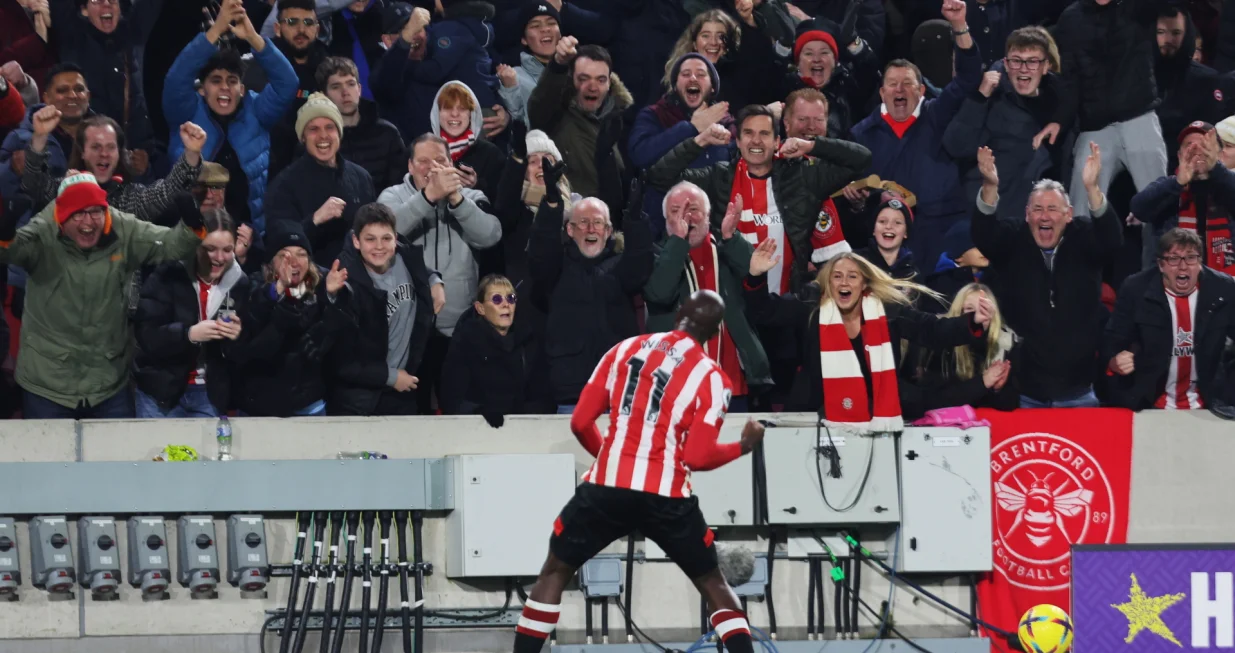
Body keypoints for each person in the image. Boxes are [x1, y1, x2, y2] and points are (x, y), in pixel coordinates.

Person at [512, 289, 767, 653]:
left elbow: (581, 421)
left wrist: (613, 459)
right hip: (667, 495)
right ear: (715, 333)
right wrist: (742, 447)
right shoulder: (712, 378)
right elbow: (696, 456)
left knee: (555, 570)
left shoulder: (624, 348)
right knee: (713, 582)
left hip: (607, 486)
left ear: (678, 313)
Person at [0, 174, 205, 418]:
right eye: (78, 213)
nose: (89, 222)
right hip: (47, 385)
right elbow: (11, 251)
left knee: (116, 456)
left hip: (108, 384)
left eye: (95, 212)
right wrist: (6, 228)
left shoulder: (124, 229)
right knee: (50, 456)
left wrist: (192, 224)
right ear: (61, 217)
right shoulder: (44, 230)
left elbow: (171, 244)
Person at [744, 246, 990, 423]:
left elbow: (932, 330)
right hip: (817, 414)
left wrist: (973, 322)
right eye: (837, 277)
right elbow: (766, 312)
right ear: (828, 284)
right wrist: (756, 277)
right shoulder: (811, 306)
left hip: (877, 415)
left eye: (852, 277)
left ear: (864, 284)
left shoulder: (888, 311)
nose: (844, 283)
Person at [647, 104, 870, 295]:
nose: (756, 141)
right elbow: (659, 177)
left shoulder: (802, 177)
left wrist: (812, 145)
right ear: (739, 141)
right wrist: (699, 141)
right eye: (749, 133)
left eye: (764, 134)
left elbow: (861, 159)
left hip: (786, 302)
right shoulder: (718, 178)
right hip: (732, 306)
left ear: (777, 142)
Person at [972, 144, 1122, 408]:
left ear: (1069, 215)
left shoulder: (1084, 237)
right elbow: (984, 235)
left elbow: (1112, 240)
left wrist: (1092, 189)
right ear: (1027, 215)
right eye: (1038, 209)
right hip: (1024, 392)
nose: (1045, 216)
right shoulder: (1013, 237)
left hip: (1080, 391)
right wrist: (989, 187)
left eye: (1053, 209)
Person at [849, 0, 981, 272]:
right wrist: (857, 202)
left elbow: (969, 77)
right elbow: (857, 205)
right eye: (893, 84)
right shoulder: (860, 135)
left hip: (943, 233)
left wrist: (959, 25)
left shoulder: (937, 114)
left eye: (907, 83)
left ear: (921, 91)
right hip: (891, 241)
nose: (900, 90)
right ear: (882, 93)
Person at [377, 133, 502, 412]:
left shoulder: (471, 197)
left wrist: (456, 198)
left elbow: (490, 235)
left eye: (440, 160)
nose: (431, 167)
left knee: (458, 408)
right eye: (423, 161)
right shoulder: (392, 196)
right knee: (413, 411)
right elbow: (385, 234)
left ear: (451, 163)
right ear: (409, 166)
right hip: (408, 327)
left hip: (458, 325)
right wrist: (428, 197)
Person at [162, 0, 298, 235]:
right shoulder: (185, 113)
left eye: (232, 81)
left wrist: (253, 37)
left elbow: (288, 84)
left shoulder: (257, 110)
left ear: (242, 89)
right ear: (202, 89)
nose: (225, 88)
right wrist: (215, 31)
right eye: (216, 81)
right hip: (191, 237)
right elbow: (176, 79)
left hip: (249, 234)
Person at [527, 161, 653, 414]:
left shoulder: (620, 268)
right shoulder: (557, 268)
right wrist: (552, 202)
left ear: (608, 231)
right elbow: (540, 253)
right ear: (570, 230)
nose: (591, 229)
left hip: (617, 392)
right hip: (570, 394)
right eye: (583, 222)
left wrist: (636, 220)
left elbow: (640, 263)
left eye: (598, 223)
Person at [1051, 0, 1168, 268]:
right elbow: (1069, 77)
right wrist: (1059, 120)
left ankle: (1161, 285)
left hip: (1139, 117)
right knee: (1079, 210)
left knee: (1160, 207)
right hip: (1094, 128)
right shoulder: (1071, 19)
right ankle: (1074, 278)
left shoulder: (1136, 7)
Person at [644, 182, 768, 411]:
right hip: (677, 387)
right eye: (675, 211)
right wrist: (678, 243)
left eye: (693, 209)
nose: (686, 217)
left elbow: (755, 272)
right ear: (664, 219)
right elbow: (659, 294)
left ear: (708, 215)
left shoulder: (725, 248)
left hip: (732, 385)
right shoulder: (654, 255)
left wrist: (732, 237)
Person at [132, 208, 249, 418]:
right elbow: (147, 336)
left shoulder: (240, 283)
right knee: (158, 451)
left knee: (205, 452)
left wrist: (237, 337)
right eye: (210, 249)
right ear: (196, 246)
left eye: (227, 250)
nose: (219, 258)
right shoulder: (168, 274)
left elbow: (242, 354)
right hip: (160, 391)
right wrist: (188, 334)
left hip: (208, 393)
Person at [943, 27, 1070, 219]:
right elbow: (955, 146)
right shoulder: (990, 97)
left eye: (1032, 61)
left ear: (1046, 67)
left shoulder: (1060, 103)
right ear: (1006, 64)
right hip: (992, 213)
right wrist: (979, 98)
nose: (1024, 68)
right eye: (1016, 61)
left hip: (1039, 217)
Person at [330, 202, 444, 416]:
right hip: (362, 402)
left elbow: (423, 269)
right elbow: (343, 363)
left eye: (386, 238)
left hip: (403, 391)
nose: (379, 246)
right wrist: (391, 377)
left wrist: (435, 280)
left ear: (396, 238)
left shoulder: (406, 259)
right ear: (356, 241)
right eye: (370, 239)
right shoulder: (347, 285)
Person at [1104, 227, 1235, 412]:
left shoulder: (1224, 289)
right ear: (1161, 265)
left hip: (1210, 405)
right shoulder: (1135, 289)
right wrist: (1113, 361)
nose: (1183, 266)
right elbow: (1112, 339)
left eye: (1190, 257)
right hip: (1149, 404)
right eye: (1173, 259)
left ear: (1200, 262)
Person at [231, 219, 351, 417]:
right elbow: (247, 333)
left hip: (308, 405)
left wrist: (330, 298)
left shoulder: (322, 287)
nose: (294, 261)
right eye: (284, 255)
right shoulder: (253, 286)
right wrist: (278, 289)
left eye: (301, 254)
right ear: (271, 262)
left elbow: (342, 335)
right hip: (258, 407)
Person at [23, 110, 206, 224]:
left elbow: (169, 190)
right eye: (96, 147)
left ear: (120, 153)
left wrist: (191, 153)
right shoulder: (60, 191)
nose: (104, 153)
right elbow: (33, 184)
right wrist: (40, 137)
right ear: (82, 152)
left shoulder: (131, 200)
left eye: (111, 147)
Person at [49, 0, 164, 171]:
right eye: (97, 1)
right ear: (84, 9)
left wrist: (146, 152)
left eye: (113, 1)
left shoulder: (133, 33)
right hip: (82, 161)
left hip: (131, 160)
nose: (107, 5)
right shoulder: (72, 35)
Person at [265, 92, 376, 267]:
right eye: (313, 129)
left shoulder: (361, 177)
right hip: (311, 285)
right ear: (302, 137)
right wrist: (315, 220)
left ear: (339, 133)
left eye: (330, 127)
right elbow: (278, 245)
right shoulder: (284, 185)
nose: (323, 136)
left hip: (360, 283)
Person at [629, 52, 732, 239]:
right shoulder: (654, 115)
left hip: (711, 229)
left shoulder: (726, 122)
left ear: (712, 87)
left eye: (701, 74)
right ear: (675, 85)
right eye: (685, 74)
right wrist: (690, 128)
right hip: (660, 227)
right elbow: (639, 155)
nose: (693, 78)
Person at [528, 39, 632, 215]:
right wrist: (558, 64)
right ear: (572, 80)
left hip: (608, 225)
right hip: (569, 221)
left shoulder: (621, 120)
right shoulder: (557, 116)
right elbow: (540, 105)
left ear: (609, 83)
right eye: (584, 79)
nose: (592, 87)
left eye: (600, 80)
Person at [440, 273, 553, 423]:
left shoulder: (528, 341)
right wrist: (482, 414)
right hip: (476, 431)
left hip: (521, 430)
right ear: (480, 308)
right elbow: (452, 399)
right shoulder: (465, 343)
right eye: (497, 299)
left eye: (511, 298)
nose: (505, 304)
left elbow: (541, 397)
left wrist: (520, 418)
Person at [1129, 122, 1235, 276]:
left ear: (1218, 153)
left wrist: (1216, 169)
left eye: (1204, 145)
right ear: (1179, 156)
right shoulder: (1168, 187)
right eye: (1190, 146)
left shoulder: (1228, 184)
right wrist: (1177, 183)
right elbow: (1139, 208)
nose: (1197, 151)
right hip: (1173, 284)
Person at [911, 282, 1019, 412]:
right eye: (969, 309)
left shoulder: (1006, 344)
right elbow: (937, 400)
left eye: (984, 309)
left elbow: (1010, 404)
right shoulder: (940, 343)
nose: (978, 315)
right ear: (958, 312)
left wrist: (997, 389)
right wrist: (983, 383)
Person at [660, 9, 787, 111]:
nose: (713, 43)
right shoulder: (677, 78)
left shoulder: (740, 78)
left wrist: (749, 20)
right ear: (694, 43)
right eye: (706, 36)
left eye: (721, 36)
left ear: (729, 44)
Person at [493, 125, 573, 287]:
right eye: (532, 161)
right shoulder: (517, 208)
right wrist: (517, 160)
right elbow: (504, 205)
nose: (541, 165)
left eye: (547, 160)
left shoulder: (577, 205)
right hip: (527, 298)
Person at [317, 56, 406, 192]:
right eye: (336, 87)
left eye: (350, 84)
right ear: (325, 95)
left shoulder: (387, 133)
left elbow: (402, 188)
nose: (345, 92)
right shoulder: (317, 140)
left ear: (359, 89)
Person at [780, 20, 881, 139]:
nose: (816, 59)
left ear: (835, 62)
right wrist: (781, 50)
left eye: (824, 52)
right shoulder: (783, 88)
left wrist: (855, 44)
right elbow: (763, 78)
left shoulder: (849, 88)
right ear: (798, 63)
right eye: (808, 54)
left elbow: (871, 75)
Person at [429, 80, 504, 202]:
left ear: (471, 114)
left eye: (462, 109)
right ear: (437, 113)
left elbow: (504, 206)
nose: (454, 114)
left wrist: (477, 185)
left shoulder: (491, 154)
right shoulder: (423, 150)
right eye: (447, 108)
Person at [496, 1, 562, 126]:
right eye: (535, 26)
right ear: (524, 39)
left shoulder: (577, 72)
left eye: (551, 23)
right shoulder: (512, 78)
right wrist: (511, 91)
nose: (545, 29)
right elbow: (517, 127)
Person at [854, 193, 916, 281]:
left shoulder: (914, 275)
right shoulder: (854, 262)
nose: (888, 226)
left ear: (905, 233)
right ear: (873, 230)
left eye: (897, 223)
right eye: (882, 221)